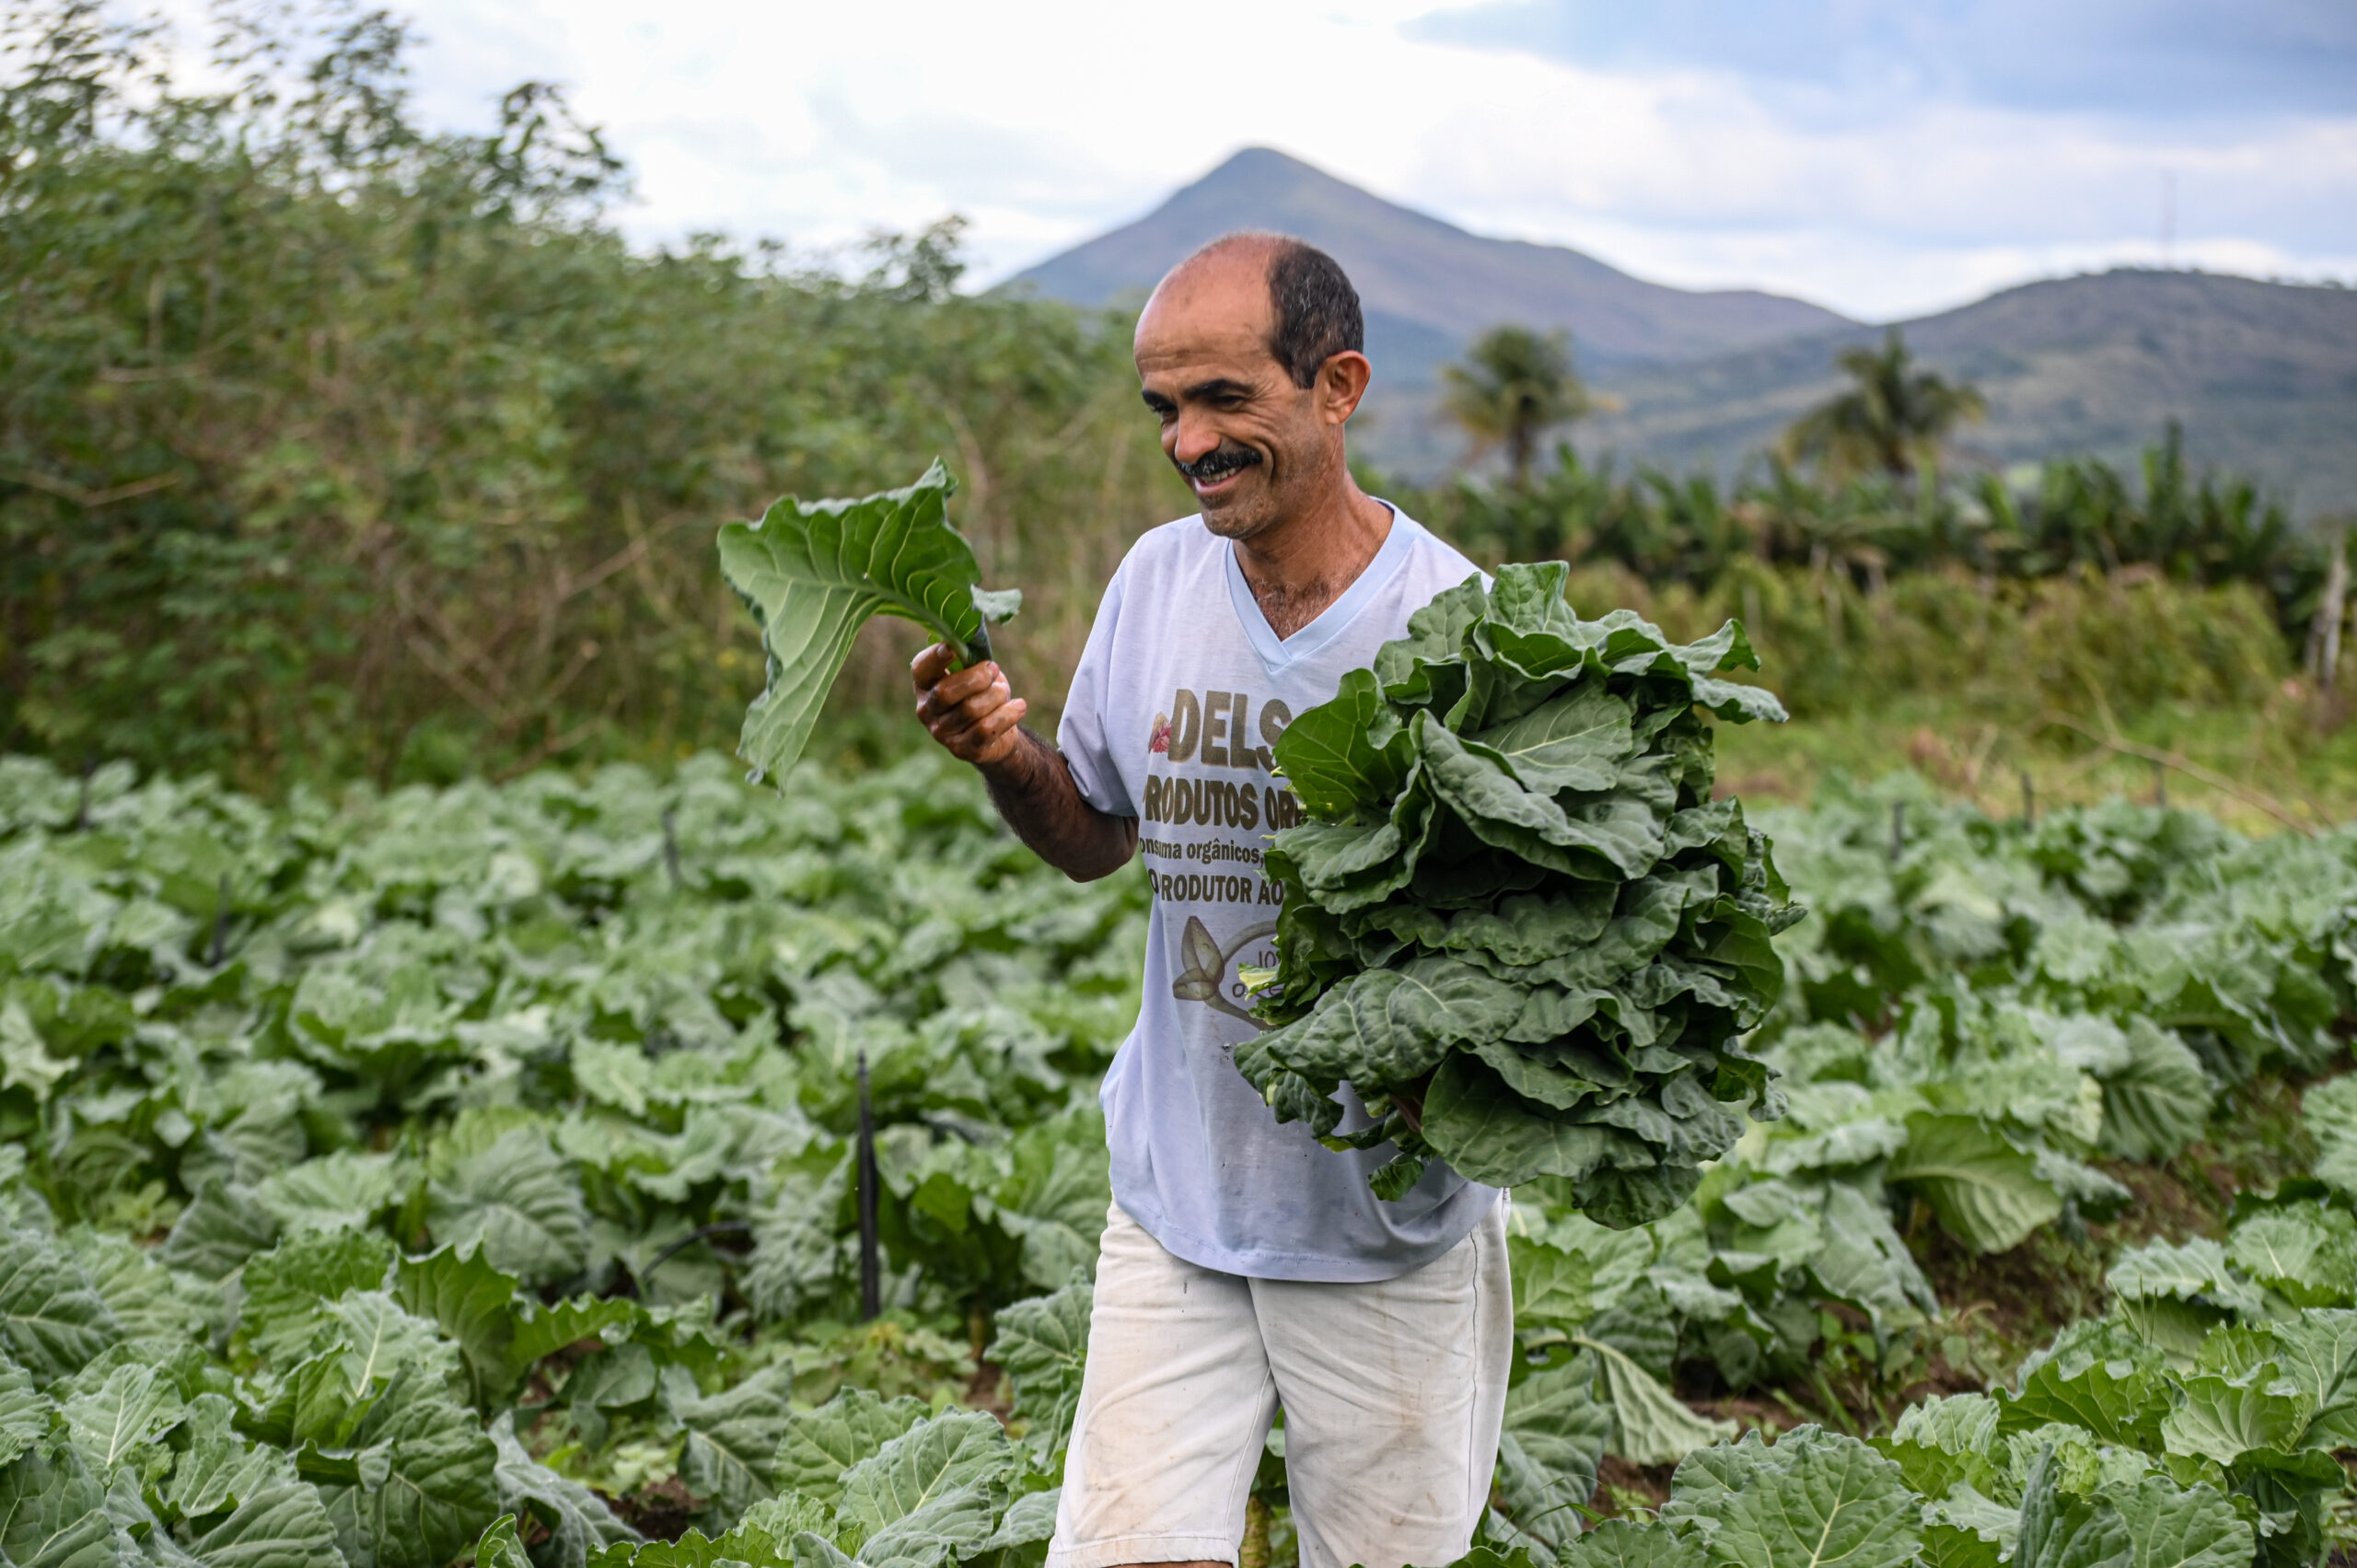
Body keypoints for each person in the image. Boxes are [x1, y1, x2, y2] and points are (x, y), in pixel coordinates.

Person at [910, 233, 1508, 1568]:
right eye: (1165, 409)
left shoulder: (1462, 626)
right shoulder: (1154, 582)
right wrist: (1004, 754)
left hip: (1384, 1226)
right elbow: (1095, 839)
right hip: (1177, 1204)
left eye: (1226, 400)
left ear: (1336, 386)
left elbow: (1525, 954)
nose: (1189, 443)